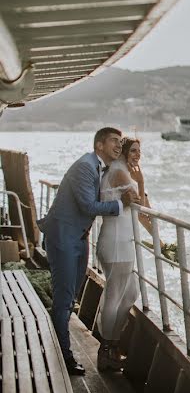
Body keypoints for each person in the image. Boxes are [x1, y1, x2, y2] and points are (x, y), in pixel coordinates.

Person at [37, 127, 136, 376]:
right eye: (114, 140)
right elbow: (88, 205)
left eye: (120, 141)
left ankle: (59, 348)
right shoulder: (85, 166)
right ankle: (64, 357)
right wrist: (119, 203)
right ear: (99, 145)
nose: (118, 144)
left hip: (79, 240)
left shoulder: (98, 167)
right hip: (64, 240)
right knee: (64, 298)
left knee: (70, 298)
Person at [96, 136, 151, 371]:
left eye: (140, 151)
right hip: (117, 244)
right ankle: (106, 350)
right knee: (115, 294)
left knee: (130, 293)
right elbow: (142, 209)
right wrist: (141, 182)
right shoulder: (119, 172)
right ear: (123, 152)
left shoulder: (120, 171)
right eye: (133, 150)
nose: (137, 155)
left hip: (120, 242)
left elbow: (142, 212)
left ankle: (111, 343)